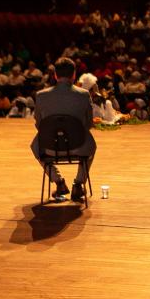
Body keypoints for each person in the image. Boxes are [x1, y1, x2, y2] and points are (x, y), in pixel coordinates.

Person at [31, 57, 95, 203]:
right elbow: (89, 124)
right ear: (74, 75)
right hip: (78, 146)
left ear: (55, 75)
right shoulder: (84, 95)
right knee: (91, 147)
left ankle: (58, 182)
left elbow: (39, 124)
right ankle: (78, 184)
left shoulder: (41, 95)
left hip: (49, 147)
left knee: (35, 146)